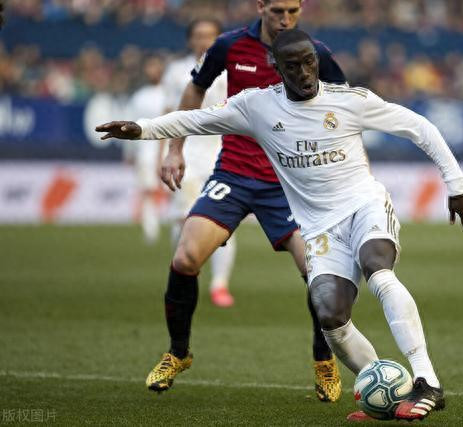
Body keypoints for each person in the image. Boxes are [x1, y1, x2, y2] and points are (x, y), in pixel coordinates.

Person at [96, 29, 463, 421]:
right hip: (320, 230)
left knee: (378, 271)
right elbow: (196, 118)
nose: (304, 72)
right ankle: (387, 394)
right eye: (293, 66)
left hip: (364, 206)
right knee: (331, 318)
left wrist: (457, 186)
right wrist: (141, 129)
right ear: (276, 68)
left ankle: (427, 381)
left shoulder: (349, 100)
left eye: (309, 62)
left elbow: (420, 127)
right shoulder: (257, 106)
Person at [138, 0, 346, 402]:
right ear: (260, 6)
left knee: (318, 272)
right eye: (278, 11)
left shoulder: (314, 51)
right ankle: (178, 352)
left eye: (293, 11)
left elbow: (345, 102)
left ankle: (324, 359)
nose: (286, 19)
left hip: (289, 182)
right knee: (185, 257)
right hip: (233, 173)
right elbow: (195, 87)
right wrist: (175, 149)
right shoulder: (229, 46)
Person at [160, 19, 237, 307]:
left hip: (223, 153)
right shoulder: (176, 72)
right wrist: (164, 152)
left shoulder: (232, 70)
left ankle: (220, 284)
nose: (204, 40)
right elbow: (168, 114)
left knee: (223, 224)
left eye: (210, 36)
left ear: (219, 39)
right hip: (187, 154)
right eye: (198, 35)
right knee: (183, 220)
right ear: (190, 40)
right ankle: (183, 273)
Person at [125, 54, 166, 244]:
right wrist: (129, 152)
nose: (152, 71)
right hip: (146, 152)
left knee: (176, 190)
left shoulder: (171, 92)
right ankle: (151, 231)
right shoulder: (139, 97)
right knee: (148, 190)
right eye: (149, 67)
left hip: (168, 150)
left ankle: (181, 227)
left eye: (155, 66)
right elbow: (129, 125)